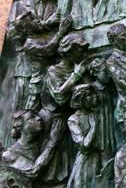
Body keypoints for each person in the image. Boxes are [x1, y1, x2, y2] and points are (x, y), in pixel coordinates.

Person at [32, 33, 90, 185]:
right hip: (51, 118)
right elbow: (59, 96)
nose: (84, 54)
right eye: (80, 50)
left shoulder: (79, 68)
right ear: (69, 51)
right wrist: (75, 76)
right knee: (51, 155)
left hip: (66, 119)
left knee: (64, 160)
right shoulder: (54, 71)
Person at [67, 84, 112, 187]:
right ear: (81, 99)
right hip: (85, 161)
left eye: (94, 94)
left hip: (99, 158)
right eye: (89, 95)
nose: (94, 96)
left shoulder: (96, 114)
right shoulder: (73, 120)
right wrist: (93, 127)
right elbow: (84, 146)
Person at [0, 110, 44, 187]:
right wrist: (53, 143)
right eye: (31, 117)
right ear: (20, 126)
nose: (39, 118)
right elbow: (33, 171)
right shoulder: (10, 154)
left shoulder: (37, 145)